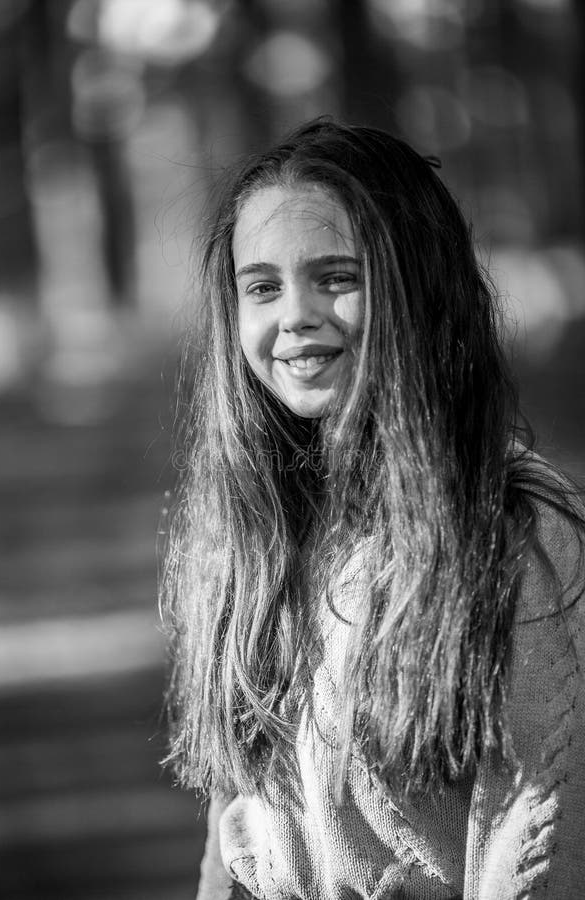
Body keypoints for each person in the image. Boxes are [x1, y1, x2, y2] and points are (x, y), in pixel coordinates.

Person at [160, 119, 585, 899]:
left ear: (418, 290)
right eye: (262, 286)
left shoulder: (513, 545)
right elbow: (236, 828)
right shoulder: (256, 542)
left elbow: (541, 852)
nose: (294, 315)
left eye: (335, 277)